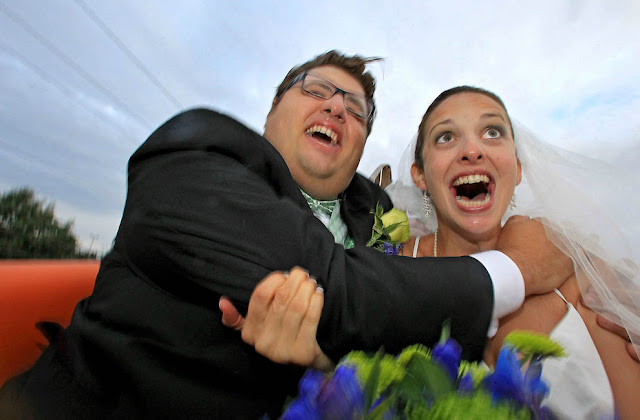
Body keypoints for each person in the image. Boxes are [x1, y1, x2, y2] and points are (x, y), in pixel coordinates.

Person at [0, 52, 572, 419]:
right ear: (271, 112)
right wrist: (518, 269)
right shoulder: (198, 152)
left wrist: (586, 280)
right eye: (316, 89)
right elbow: (334, 287)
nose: (337, 107)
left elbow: (417, 275)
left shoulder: (376, 212)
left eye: (357, 109)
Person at [225, 86, 640, 419]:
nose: (472, 150)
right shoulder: (383, 269)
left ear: (517, 165)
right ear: (421, 176)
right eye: (446, 137)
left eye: (492, 132)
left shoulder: (573, 263)